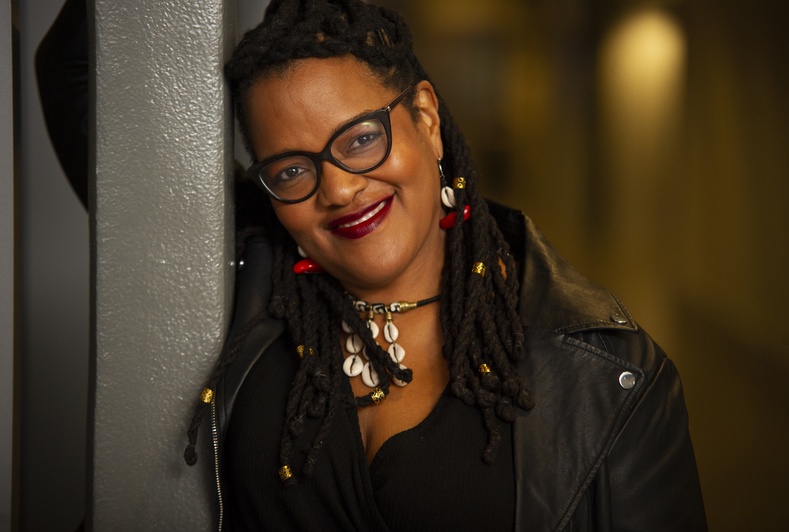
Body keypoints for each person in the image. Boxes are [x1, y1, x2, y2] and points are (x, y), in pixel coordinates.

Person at [166, 0, 708, 530]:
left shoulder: (610, 376)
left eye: (361, 139)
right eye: (290, 172)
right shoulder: (249, 284)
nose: (338, 188)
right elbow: (95, 93)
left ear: (425, 117)